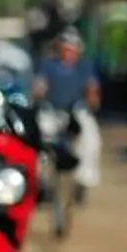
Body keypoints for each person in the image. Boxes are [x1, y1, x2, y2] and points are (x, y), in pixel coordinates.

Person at [36, 30, 102, 197]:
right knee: (40, 138)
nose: (69, 53)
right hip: (52, 110)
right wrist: (38, 91)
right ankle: (41, 180)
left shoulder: (85, 67)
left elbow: (92, 89)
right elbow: (39, 86)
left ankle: (83, 180)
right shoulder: (48, 65)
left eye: (73, 49)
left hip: (77, 110)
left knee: (91, 139)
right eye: (66, 48)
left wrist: (93, 98)